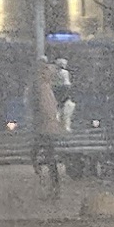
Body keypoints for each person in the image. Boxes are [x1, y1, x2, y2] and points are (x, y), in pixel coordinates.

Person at [30, 57, 63, 190]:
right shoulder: (46, 87)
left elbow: (43, 108)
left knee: (43, 154)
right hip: (47, 126)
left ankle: (51, 184)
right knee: (48, 155)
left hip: (44, 126)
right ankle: (53, 184)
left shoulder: (41, 87)